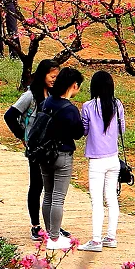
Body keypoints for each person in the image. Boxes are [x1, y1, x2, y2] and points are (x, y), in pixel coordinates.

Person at [4, 60, 62, 241]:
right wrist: (23, 137)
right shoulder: (29, 96)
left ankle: (53, 226)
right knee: (37, 186)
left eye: (56, 76)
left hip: (51, 148)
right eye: (51, 76)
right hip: (36, 150)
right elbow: (10, 116)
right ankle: (36, 225)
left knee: (52, 189)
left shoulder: (54, 95)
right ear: (42, 75)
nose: (54, 79)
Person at [78, 71, 126, 253]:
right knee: (112, 198)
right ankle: (111, 237)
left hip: (96, 161)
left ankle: (96, 240)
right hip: (113, 159)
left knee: (97, 201)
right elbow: (122, 129)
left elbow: (84, 130)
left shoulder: (88, 106)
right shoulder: (117, 104)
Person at [38, 67, 85, 251]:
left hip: (44, 154)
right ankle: (55, 238)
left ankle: (49, 234)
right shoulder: (70, 109)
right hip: (62, 155)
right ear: (74, 85)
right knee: (58, 197)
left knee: (48, 194)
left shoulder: (47, 102)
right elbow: (79, 133)